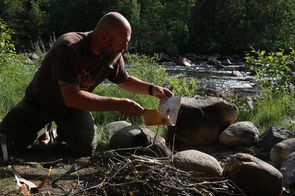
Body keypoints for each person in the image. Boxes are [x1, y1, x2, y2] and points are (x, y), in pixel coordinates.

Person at [0, 12, 173, 157]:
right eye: (123, 42)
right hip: (39, 104)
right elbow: (72, 97)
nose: (125, 48)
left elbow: (124, 80)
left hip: (72, 110)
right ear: (104, 37)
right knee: (6, 146)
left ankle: (60, 131)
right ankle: (43, 128)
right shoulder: (69, 46)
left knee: (86, 149)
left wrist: (152, 89)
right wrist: (118, 104)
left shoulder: (113, 54)